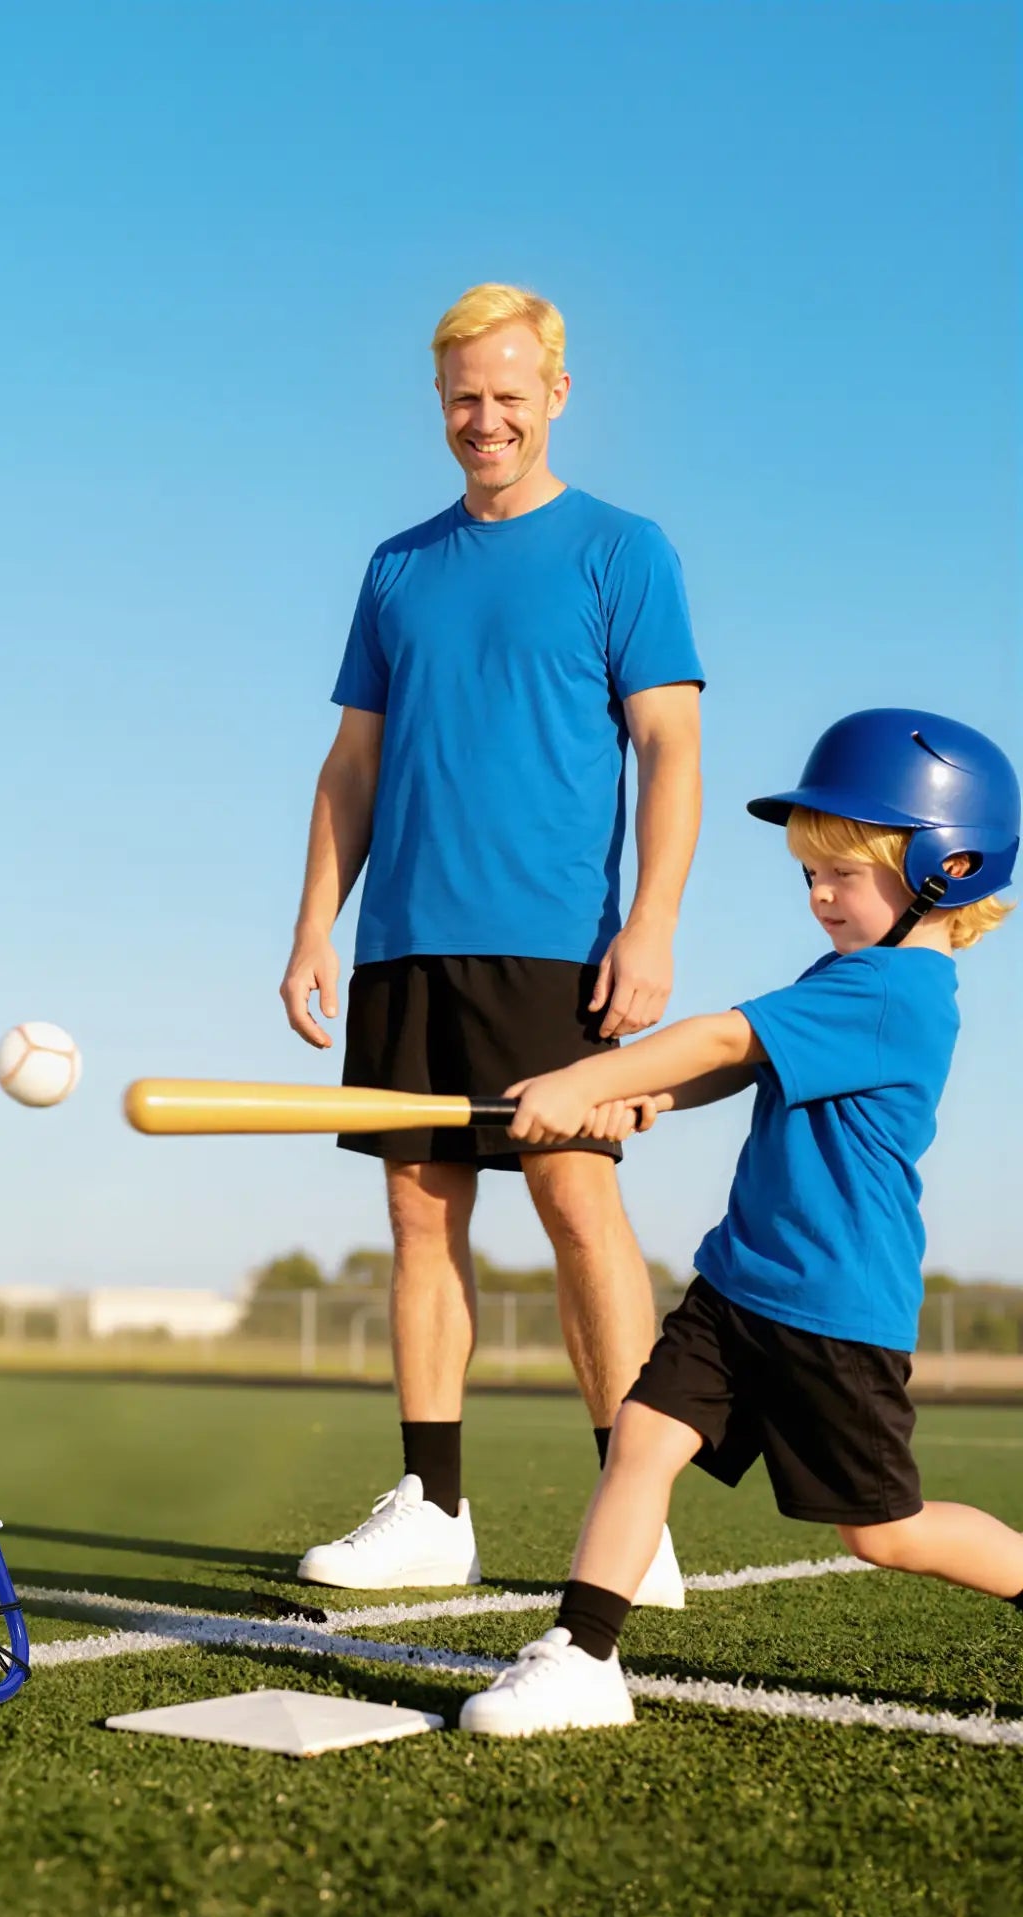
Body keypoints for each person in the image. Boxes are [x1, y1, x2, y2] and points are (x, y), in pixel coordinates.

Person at [460, 709, 1022, 1736]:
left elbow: (722, 1031)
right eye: (807, 871)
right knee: (639, 1435)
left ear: (945, 865)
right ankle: (581, 1654)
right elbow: (739, 1062)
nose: (815, 894)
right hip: (737, 1284)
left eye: (838, 871)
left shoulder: (896, 990)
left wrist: (589, 1072)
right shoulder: (847, 979)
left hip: (831, 1310)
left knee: (882, 1531)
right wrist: (646, 1100)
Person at [283, 283, 703, 1596]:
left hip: (556, 947)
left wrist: (651, 923)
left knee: (582, 1205)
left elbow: (672, 748)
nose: (486, 419)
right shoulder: (396, 567)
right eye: (464, 396)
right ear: (441, 401)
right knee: (420, 1216)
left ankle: (634, 1520)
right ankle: (433, 1505)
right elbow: (352, 764)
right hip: (408, 942)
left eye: (509, 395)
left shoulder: (622, 551)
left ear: (557, 393)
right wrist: (314, 926)